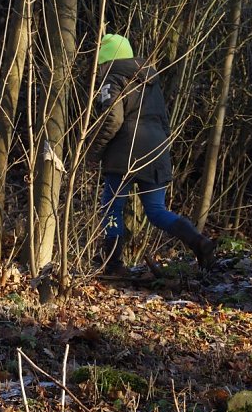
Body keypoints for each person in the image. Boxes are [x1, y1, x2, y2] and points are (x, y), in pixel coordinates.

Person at [88, 33, 216, 275]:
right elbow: (164, 122)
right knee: (156, 211)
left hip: (124, 156)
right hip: (156, 152)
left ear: (104, 59)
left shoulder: (112, 79)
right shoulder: (151, 80)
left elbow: (112, 120)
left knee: (111, 208)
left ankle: (113, 265)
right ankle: (200, 243)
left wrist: (94, 152)